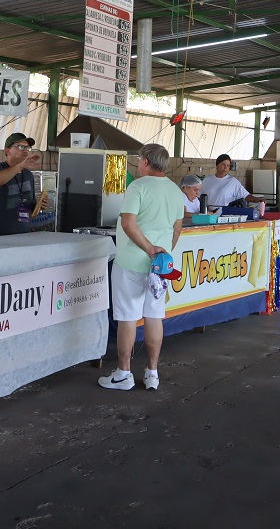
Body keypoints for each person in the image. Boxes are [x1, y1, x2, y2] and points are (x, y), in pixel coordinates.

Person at [99, 143, 185, 392]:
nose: (137, 164)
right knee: (154, 316)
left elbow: (128, 223)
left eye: (139, 159)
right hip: (160, 266)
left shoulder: (137, 186)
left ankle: (124, 373)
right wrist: (162, 252)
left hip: (131, 262)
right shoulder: (174, 191)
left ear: (146, 161)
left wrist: (148, 248)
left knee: (127, 317)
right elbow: (177, 228)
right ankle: (152, 373)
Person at [0, 133, 38, 236]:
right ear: (7, 151)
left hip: (22, 234)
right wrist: (19, 167)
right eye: (20, 147)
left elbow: (30, 205)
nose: (25, 150)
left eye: (27, 147)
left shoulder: (28, 175)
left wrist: (40, 205)